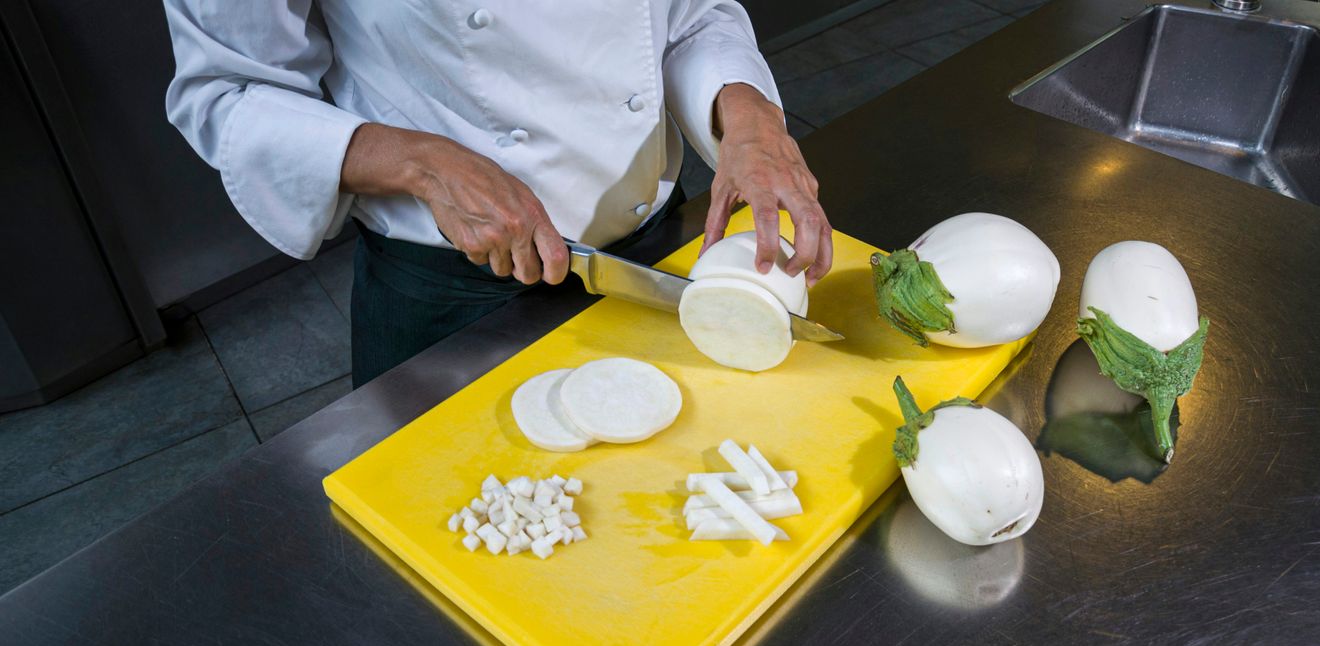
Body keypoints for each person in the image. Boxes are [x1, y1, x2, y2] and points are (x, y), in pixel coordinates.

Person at [164, 1, 833, 386]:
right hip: (452, 299)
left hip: (661, 251)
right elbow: (228, 91)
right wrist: (423, 164)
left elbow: (690, 15)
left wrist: (750, 117)